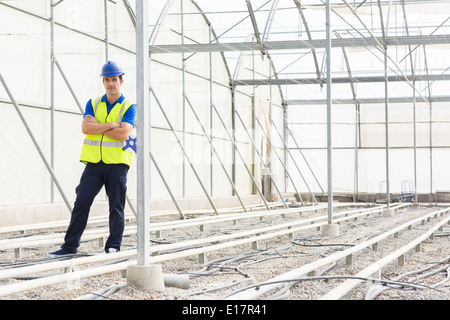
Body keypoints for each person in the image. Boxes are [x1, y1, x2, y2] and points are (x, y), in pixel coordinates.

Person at [48, 60, 136, 257]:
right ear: (103, 82)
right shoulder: (93, 103)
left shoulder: (129, 106)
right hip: (94, 163)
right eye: (107, 80)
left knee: (116, 206)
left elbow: (124, 135)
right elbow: (86, 128)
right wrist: (113, 124)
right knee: (82, 201)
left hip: (118, 164)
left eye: (114, 79)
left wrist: (100, 126)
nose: (111, 83)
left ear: (121, 81)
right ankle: (69, 246)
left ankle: (113, 246)